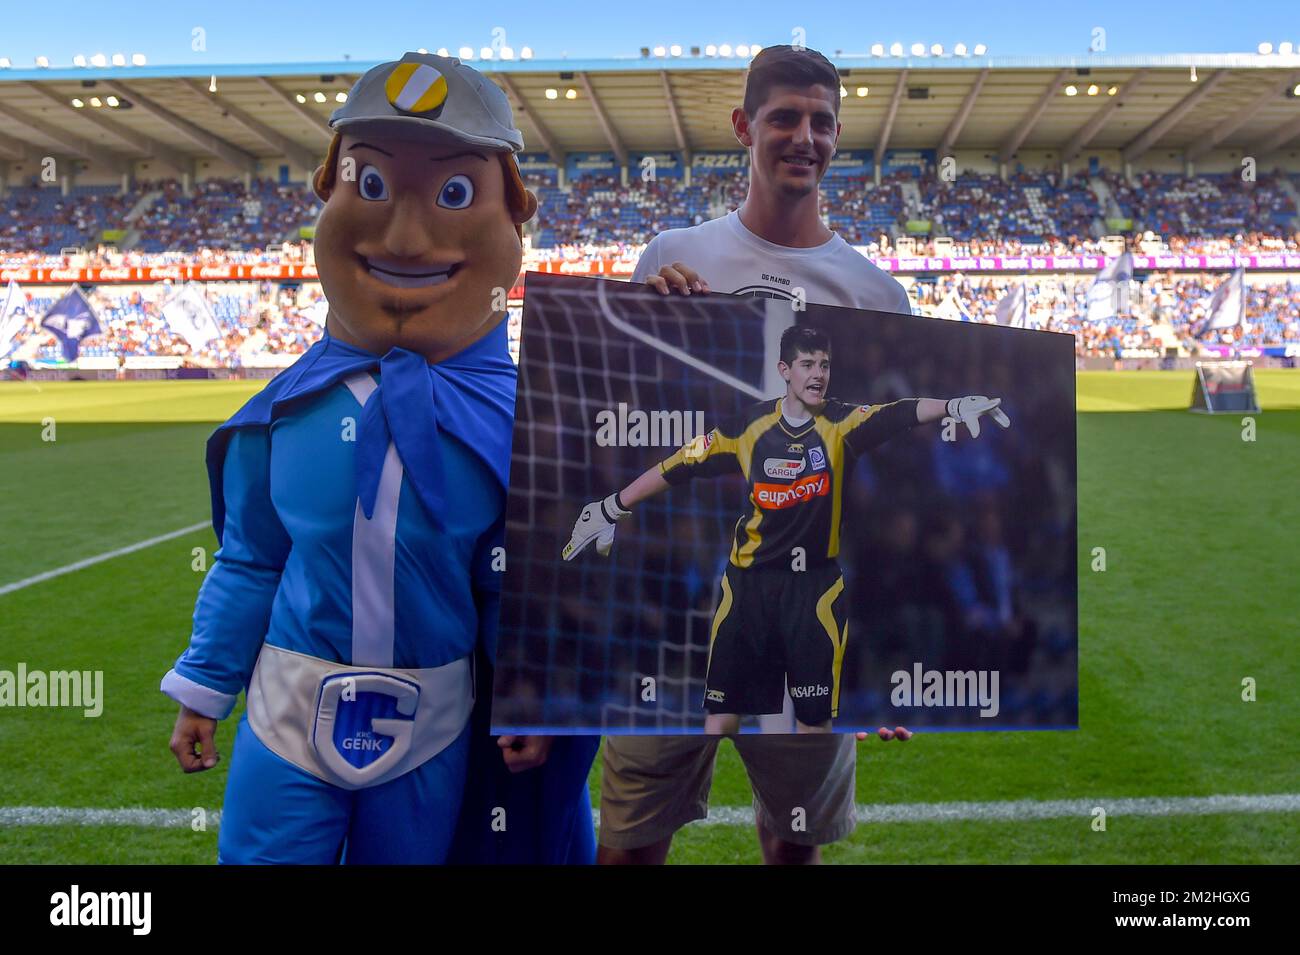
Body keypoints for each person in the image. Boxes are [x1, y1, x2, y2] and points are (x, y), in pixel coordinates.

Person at [161, 51, 596, 864]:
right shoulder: (284, 412)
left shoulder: (517, 426)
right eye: (368, 186)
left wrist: (532, 699)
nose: (404, 232)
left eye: (455, 193)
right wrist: (203, 688)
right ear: (329, 194)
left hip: (429, 720)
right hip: (287, 708)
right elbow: (250, 559)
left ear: (515, 218)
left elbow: (513, 584)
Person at [590, 44, 918, 866]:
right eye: (784, 118)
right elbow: (628, 415)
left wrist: (888, 650)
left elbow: (886, 485)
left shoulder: (877, 294)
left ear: (837, 137)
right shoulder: (673, 255)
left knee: (794, 842)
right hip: (672, 612)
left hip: (810, 601)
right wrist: (658, 321)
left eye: (821, 122)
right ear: (744, 126)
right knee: (628, 842)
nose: (803, 136)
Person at [565, 325, 1009, 735]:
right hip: (748, 586)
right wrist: (612, 505)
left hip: (813, 590)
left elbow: (901, 413)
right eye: (807, 364)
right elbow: (678, 464)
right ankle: (704, 813)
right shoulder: (748, 427)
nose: (818, 374)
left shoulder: (842, 422)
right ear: (784, 370)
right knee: (720, 722)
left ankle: (802, 818)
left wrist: (951, 406)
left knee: (813, 727)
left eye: (825, 364)